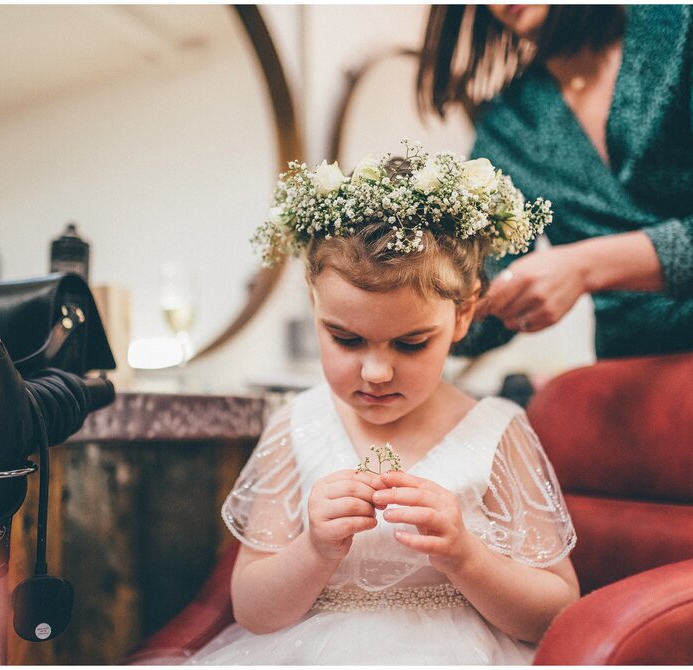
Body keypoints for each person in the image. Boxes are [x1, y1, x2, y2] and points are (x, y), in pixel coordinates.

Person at [166, 144, 577, 665]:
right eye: (345, 338)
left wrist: (464, 555)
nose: (376, 372)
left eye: (410, 343)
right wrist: (313, 550)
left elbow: (559, 611)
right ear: (316, 305)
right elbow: (252, 609)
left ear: (464, 314)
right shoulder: (295, 425)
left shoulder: (498, 430)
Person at [418, 5, 693, 359]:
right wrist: (417, 311)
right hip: (641, 381)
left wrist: (583, 268)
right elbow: (486, 299)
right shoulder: (508, 129)